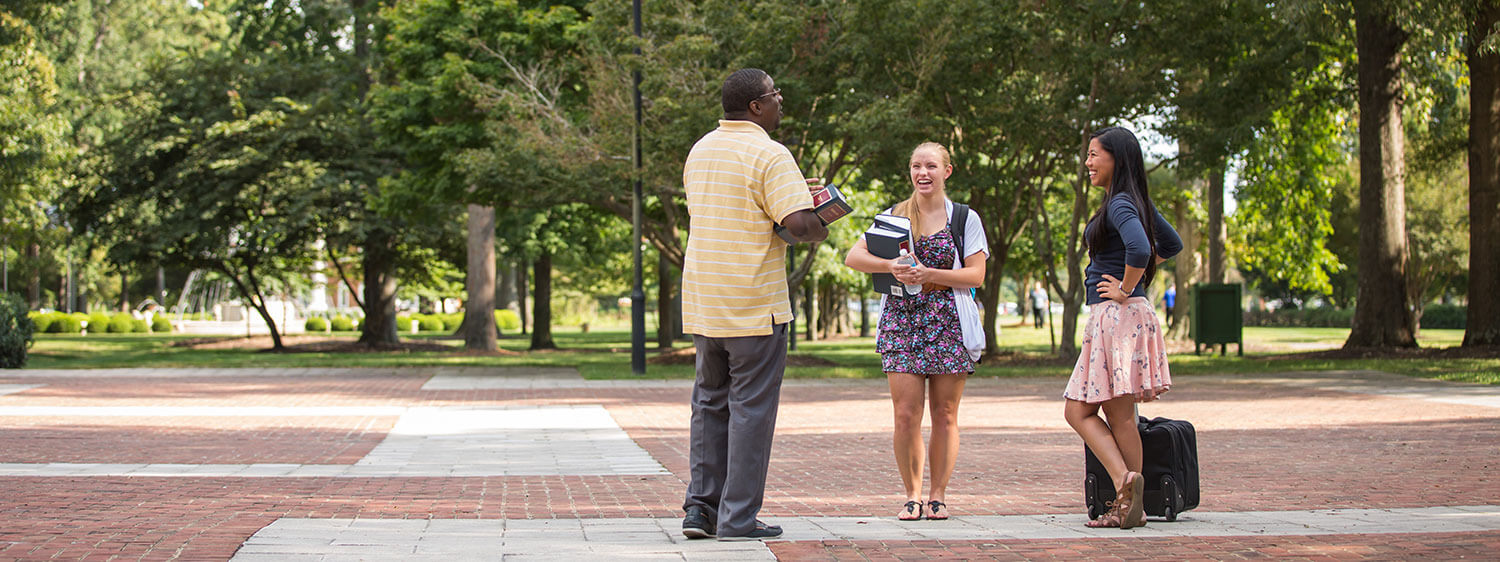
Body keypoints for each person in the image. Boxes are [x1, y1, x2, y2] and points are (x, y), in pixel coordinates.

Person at [679, 68, 828, 542]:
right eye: (775, 95)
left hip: (706, 298)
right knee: (751, 410)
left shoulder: (701, 149)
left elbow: (738, 209)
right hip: (754, 304)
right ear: (757, 107)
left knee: (708, 403)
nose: (781, 101)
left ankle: (699, 510)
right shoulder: (770, 152)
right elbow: (798, 225)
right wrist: (820, 219)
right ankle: (738, 517)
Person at [844, 142, 987, 521]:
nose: (923, 173)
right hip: (901, 321)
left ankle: (938, 494)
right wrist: (890, 265)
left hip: (948, 322)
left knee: (945, 413)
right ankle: (911, 494)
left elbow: (976, 275)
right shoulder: (894, 215)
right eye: (916, 166)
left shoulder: (964, 219)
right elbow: (853, 257)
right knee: (906, 414)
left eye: (931, 166)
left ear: (947, 171)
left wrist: (931, 275)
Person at [1063, 126, 1183, 529]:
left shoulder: (1119, 205)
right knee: (1121, 416)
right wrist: (1136, 281)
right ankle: (1132, 503)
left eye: (1095, 154)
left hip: (1116, 316)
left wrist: (1125, 286)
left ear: (1117, 158)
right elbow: (1171, 245)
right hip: (1128, 316)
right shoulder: (1136, 201)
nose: (1088, 162)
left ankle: (1124, 483)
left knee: (1079, 411)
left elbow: (1143, 248)